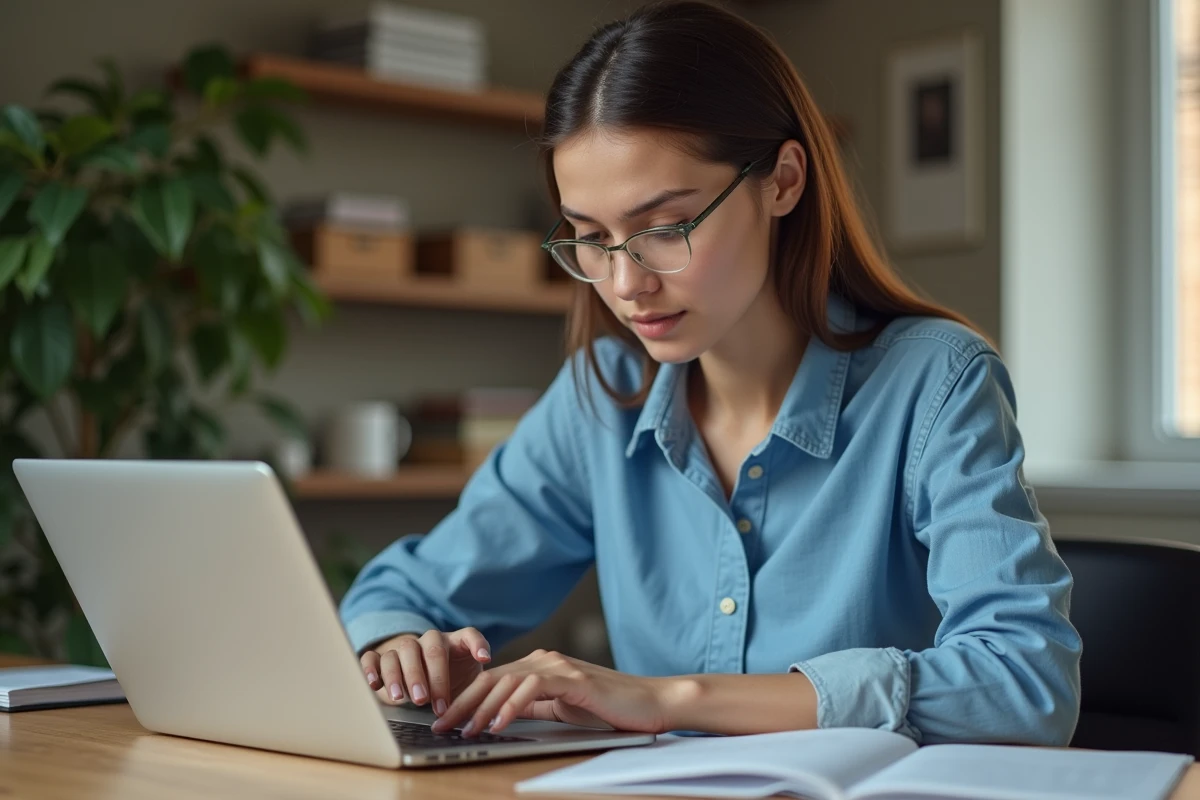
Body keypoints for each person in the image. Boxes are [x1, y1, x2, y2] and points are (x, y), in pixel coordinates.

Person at [339, 0, 1081, 745]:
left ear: (782, 181)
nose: (625, 284)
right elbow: (402, 592)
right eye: (591, 237)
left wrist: (673, 698)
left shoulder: (936, 383)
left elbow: (1025, 682)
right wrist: (401, 646)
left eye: (665, 228)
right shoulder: (603, 395)